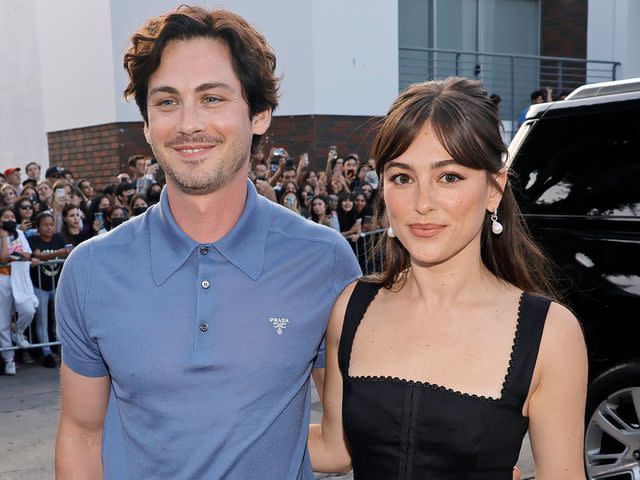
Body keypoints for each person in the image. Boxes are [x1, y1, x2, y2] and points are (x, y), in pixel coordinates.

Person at [54, 6, 360, 479]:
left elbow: (342, 446)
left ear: (259, 115)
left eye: (212, 99)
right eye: (167, 101)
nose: (188, 123)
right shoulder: (91, 270)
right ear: (147, 125)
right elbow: (81, 433)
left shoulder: (324, 261)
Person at [308, 78, 587, 478]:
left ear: (494, 189)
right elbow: (335, 449)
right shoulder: (351, 308)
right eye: (402, 177)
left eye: (449, 177)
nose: (423, 203)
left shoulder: (550, 335)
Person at [28, 211, 71, 368]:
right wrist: (59, 253)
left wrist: (66, 252)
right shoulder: (33, 239)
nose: (49, 227)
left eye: (51, 224)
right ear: (38, 227)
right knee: (42, 321)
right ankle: (46, 353)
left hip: (57, 284)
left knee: (58, 319)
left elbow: (69, 250)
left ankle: (62, 351)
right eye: (45, 225)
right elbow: (38, 256)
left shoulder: (59, 237)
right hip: (40, 286)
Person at [0, 207, 38, 375]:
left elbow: (28, 254)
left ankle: (20, 332)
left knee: (28, 309)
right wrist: (4, 238)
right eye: (5, 217)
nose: (10, 219)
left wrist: (22, 255)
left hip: (20, 279)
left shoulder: (19, 233)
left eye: (12, 216)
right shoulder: (3, 236)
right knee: (3, 323)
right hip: (3, 280)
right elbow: (2, 258)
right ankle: (9, 360)